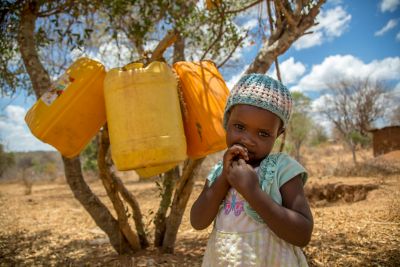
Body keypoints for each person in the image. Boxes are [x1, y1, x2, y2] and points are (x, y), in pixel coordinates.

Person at [190, 74, 314, 266]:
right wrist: (224, 177)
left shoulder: (282, 169)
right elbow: (198, 221)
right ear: (227, 120)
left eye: (263, 133)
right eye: (239, 127)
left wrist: (252, 191)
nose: (247, 139)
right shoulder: (218, 171)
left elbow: (302, 234)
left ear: (278, 134)